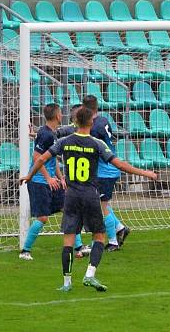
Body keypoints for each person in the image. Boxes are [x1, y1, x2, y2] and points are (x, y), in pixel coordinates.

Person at [21, 106, 157, 293]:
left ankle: (67, 282)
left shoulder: (64, 141)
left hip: (71, 196)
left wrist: (29, 175)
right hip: (90, 195)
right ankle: (90, 274)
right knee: (99, 236)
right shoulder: (97, 144)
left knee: (68, 240)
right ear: (91, 122)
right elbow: (119, 164)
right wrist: (145, 173)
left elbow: (41, 159)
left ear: (75, 122)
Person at [20, 103, 89, 260]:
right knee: (42, 218)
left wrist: (59, 177)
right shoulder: (46, 135)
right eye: (60, 112)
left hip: (51, 180)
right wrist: (48, 177)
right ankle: (25, 251)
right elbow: (37, 158)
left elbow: (52, 159)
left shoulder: (51, 133)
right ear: (58, 116)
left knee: (69, 209)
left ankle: (78, 248)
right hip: (39, 181)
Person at [83, 95, 130, 252]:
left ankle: (112, 242)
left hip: (105, 172)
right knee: (102, 204)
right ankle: (120, 228)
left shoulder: (93, 127)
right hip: (108, 169)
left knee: (101, 206)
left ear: (85, 109)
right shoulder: (103, 121)